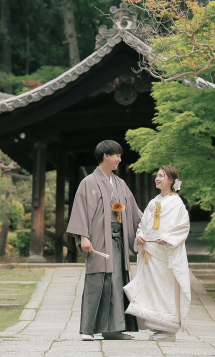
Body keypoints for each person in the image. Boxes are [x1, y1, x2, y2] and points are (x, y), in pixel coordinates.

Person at [67, 140, 143, 341]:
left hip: (118, 242)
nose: (120, 159)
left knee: (117, 282)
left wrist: (149, 228)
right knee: (97, 281)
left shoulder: (120, 184)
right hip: (99, 241)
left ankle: (114, 329)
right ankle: (87, 330)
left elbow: (135, 213)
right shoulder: (88, 182)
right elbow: (80, 211)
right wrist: (84, 236)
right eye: (117, 155)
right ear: (106, 156)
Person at [124, 166, 191, 342]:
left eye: (161, 176)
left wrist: (168, 238)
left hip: (165, 254)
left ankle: (168, 328)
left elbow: (183, 226)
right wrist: (139, 236)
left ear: (171, 180)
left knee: (165, 289)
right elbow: (142, 225)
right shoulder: (153, 201)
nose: (157, 178)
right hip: (150, 253)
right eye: (157, 175)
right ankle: (156, 326)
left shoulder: (177, 203)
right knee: (151, 288)